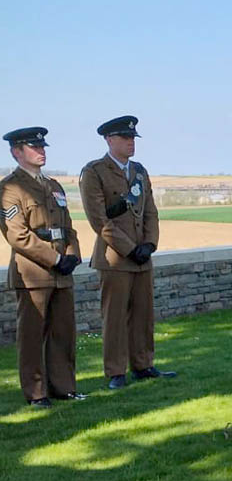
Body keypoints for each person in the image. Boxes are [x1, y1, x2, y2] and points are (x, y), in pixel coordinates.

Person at [79, 115, 176, 390]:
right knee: (115, 317)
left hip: (142, 257)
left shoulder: (140, 172)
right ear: (110, 140)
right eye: (125, 138)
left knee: (144, 315)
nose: (131, 142)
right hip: (115, 258)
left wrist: (149, 244)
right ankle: (115, 371)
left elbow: (151, 212)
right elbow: (99, 220)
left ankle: (143, 364)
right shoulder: (95, 172)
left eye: (133, 138)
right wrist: (130, 249)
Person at [0, 127, 85, 407]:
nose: (41, 151)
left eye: (43, 147)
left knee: (63, 332)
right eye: (34, 147)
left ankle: (63, 387)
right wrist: (55, 259)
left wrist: (72, 254)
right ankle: (36, 393)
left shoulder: (54, 186)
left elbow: (68, 227)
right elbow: (17, 235)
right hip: (34, 273)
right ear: (16, 152)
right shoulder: (10, 188)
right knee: (32, 335)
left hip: (61, 274)